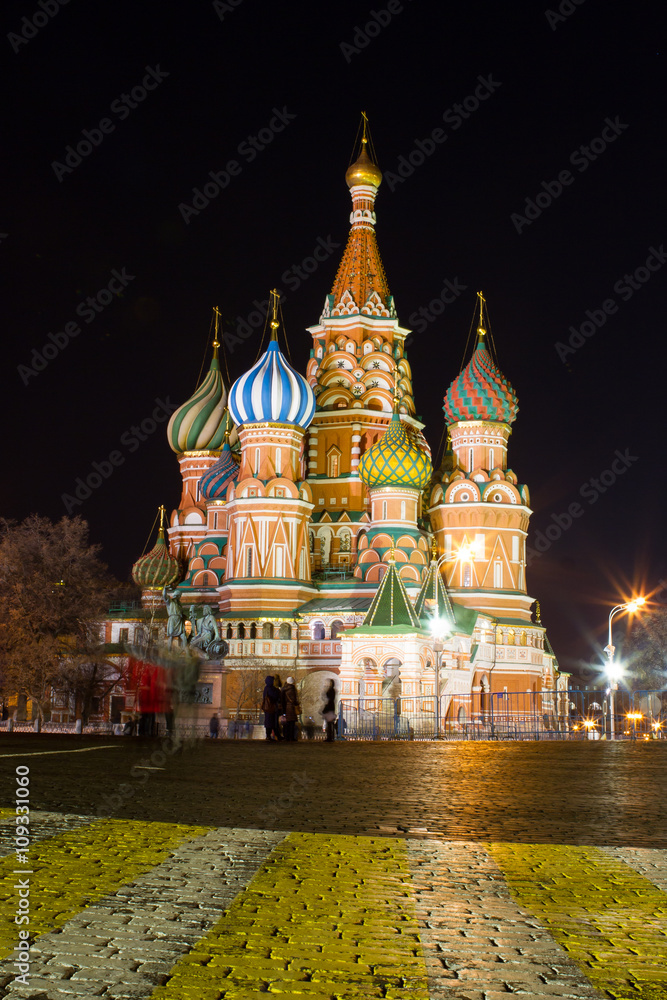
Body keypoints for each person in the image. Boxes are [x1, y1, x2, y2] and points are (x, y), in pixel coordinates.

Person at [262, 675, 281, 741]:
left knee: (269, 722)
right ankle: (275, 735)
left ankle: (269, 735)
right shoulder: (271, 688)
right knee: (273, 722)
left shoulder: (266, 688)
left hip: (267, 708)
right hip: (271, 707)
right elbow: (275, 696)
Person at [281, 676, 300, 742]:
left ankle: (286, 736)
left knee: (286, 723)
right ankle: (291, 737)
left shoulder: (284, 689)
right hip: (291, 707)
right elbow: (294, 700)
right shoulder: (293, 689)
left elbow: (282, 700)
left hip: (286, 707)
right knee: (292, 723)